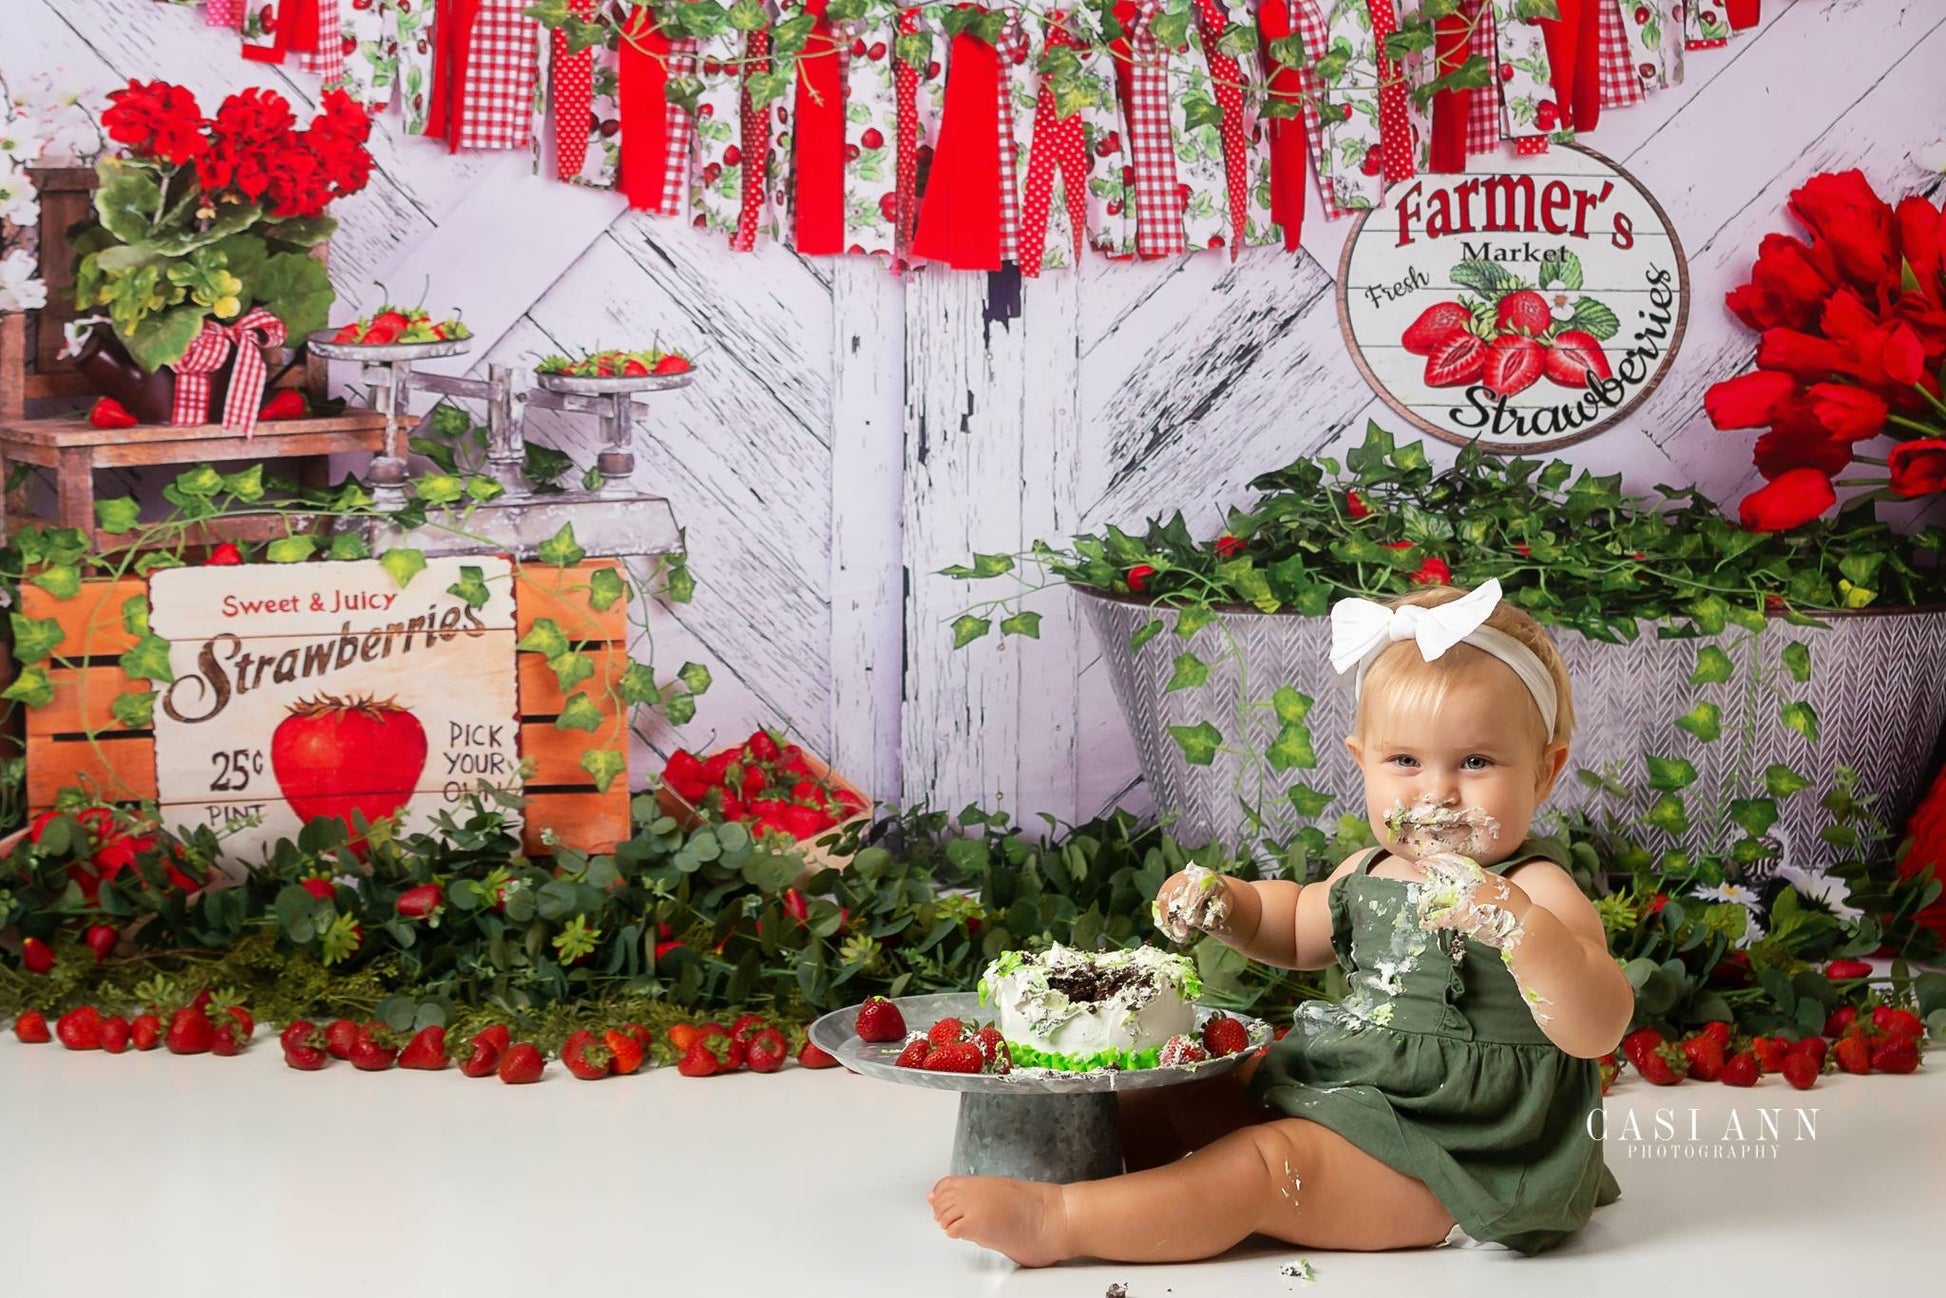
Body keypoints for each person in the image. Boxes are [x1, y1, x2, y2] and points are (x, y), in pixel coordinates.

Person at [930, 580, 1630, 1264]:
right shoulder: (1371, 869)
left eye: (1476, 762)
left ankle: (1061, 1220)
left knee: (1265, 1168)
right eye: (1405, 761)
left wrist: (1521, 931)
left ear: (1544, 772)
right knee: (1186, 1086)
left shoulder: (1531, 887)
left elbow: (1597, 1022)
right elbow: (1295, 926)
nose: (1437, 790)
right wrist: (1230, 904)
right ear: (1363, 763)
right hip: (1354, 1090)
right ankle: (1101, 1176)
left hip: (1456, 1152)